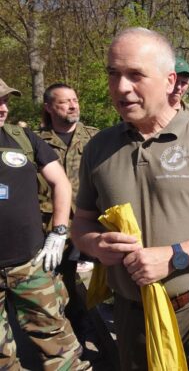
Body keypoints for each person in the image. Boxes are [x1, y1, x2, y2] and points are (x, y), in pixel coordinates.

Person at [71, 27, 189, 370]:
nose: (121, 87)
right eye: (113, 74)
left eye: (135, 75)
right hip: (133, 316)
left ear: (170, 81)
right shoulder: (97, 148)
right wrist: (94, 243)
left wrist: (175, 256)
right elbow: (81, 222)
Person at [0, 79, 90, 370]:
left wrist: (58, 232)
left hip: (31, 260)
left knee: (58, 337)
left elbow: (61, 182)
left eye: (5, 101)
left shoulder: (24, 139)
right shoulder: (38, 135)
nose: (3, 108)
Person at [37, 83, 98, 337]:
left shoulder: (96, 138)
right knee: (61, 289)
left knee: (101, 286)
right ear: (49, 107)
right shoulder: (34, 142)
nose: (73, 106)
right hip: (52, 228)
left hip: (92, 223)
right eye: (64, 102)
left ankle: (104, 339)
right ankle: (74, 339)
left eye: (75, 100)